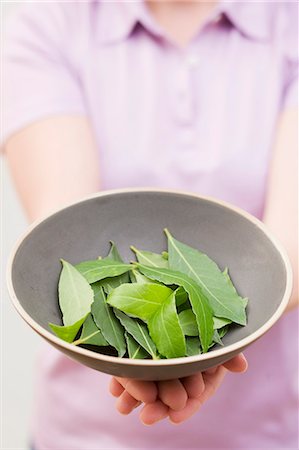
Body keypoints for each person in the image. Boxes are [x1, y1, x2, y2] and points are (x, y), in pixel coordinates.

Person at [2, 1, 298, 449]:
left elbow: (285, 251)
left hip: (268, 433)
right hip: (80, 437)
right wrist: (141, 358)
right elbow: (64, 227)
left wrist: (206, 350)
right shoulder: (48, 19)